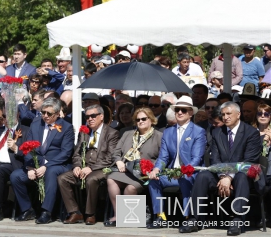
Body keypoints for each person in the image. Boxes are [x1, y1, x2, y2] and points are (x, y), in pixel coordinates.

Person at [181, 101, 262, 235]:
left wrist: (229, 177)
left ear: (238, 114)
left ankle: (237, 220)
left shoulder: (251, 133)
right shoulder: (218, 132)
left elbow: (249, 161)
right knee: (203, 176)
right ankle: (194, 219)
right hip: (222, 174)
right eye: (223, 114)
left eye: (229, 114)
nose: (225, 117)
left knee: (242, 176)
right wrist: (223, 176)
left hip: (245, 175)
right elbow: (215, 159)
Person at [10, 97, 74, 224]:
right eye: (43, 112)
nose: (45, 116)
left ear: (57, 113)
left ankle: (47, 211)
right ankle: (27, 209)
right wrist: (29, 166)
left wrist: (46, 166)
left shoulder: (66, 127)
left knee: (51, 172)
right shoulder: (36, 123)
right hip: (35, 163)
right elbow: (27, 147)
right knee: (15, 176)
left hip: (57, 164)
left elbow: (65, 153)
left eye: (49, 113)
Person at [147, 96, 206, 229]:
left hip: (191, 173)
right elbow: (163, 157)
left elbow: (196, 158)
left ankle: (188, 217)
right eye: (177, 109)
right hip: (171, 173)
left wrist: (182, 171)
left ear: (190, 113)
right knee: (153, 179)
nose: (179, 112)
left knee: (185, 179)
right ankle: (160, 216)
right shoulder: (168, 132)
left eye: (183, 110)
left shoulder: (198, 131)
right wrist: (156, 169)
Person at [58, 105, 119, 225]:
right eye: (87, 117)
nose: (89, 119)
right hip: (83, 167)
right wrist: (77, 166)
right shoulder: (84, 132)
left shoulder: (112, 133)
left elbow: (110, 158)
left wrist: (91, 168)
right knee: (62, 178)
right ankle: (75, 212)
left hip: (102, 168)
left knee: (91, 179)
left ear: (101, 116)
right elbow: (76, 153)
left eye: (93, 116)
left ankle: (91, 214)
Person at [105, 108, 163, 227]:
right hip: (125, 169)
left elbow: (163, 156)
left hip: (143, 173)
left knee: (130, 188)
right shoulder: (127, 134)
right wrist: (119, 161)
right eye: (137, 120)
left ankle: (128, 217)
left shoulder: (159, 136)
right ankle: (118, 215)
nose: (140, 121)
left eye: (143, 119)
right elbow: (116, 152)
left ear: (151, 120)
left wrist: (151, 168)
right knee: (111, 179)